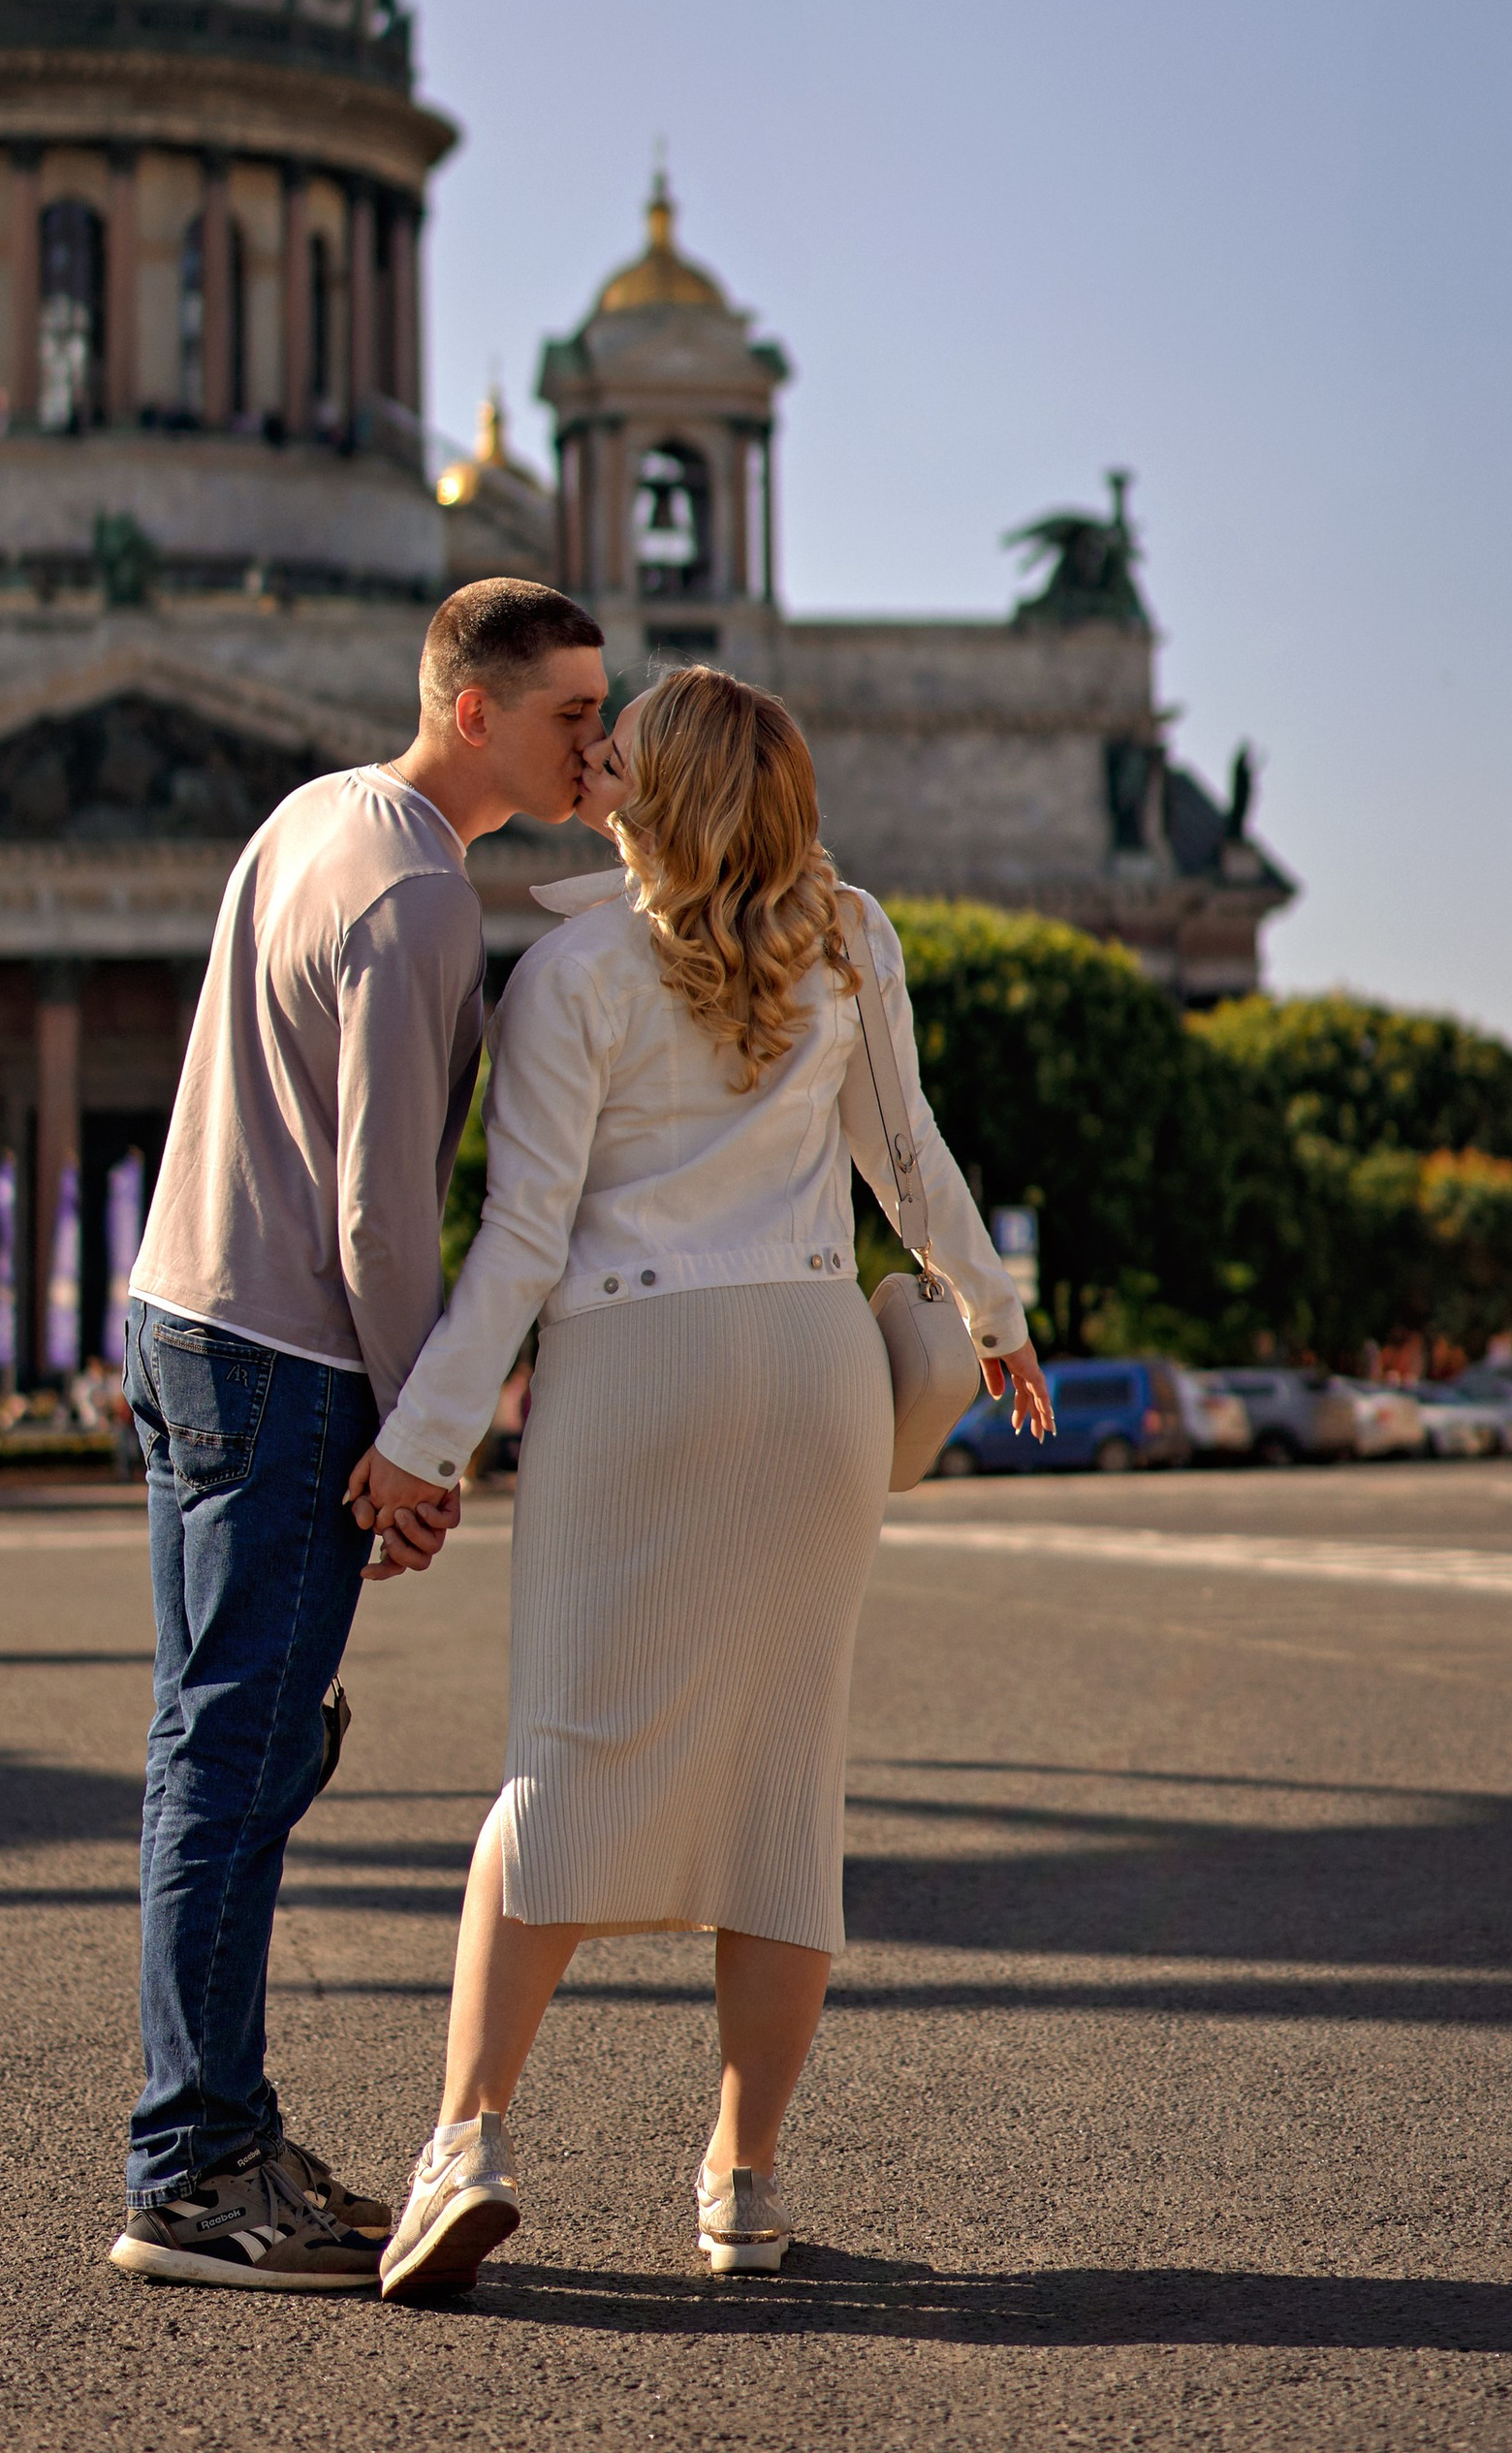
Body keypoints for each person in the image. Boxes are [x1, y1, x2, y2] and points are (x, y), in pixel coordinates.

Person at [349, 665, 1054, 2300]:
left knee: (566, 1763)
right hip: (813, 1367)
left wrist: (422, 1438)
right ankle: (742, 2181)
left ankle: (468, 2138)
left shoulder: (574, 966)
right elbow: (912, 1158)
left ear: (643, 795)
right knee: (781, 1797)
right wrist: (995, 1317)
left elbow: (520, 1242)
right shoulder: (853, 938)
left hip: (632, 1373)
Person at [108, 578, 607, 2292]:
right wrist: (421, 1437)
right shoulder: (419, 900)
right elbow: (387, 1221)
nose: (599, 745)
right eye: (571, 718)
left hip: (182, 1313)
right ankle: (192, 2169)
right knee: (237, 1766)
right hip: (284, 1360)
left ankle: (214, 2127)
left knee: (211, 1751)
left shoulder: (318, 815)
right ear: (477, 710)